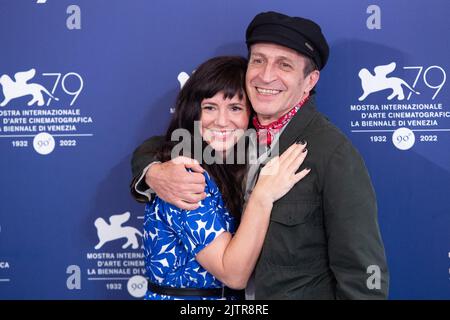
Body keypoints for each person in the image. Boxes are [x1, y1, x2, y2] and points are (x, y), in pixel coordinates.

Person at [131, 12, 389, 299]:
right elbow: (171, 141)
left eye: (284, 64)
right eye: (258, 60)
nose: (266, 75)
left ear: (309, 80)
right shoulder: (233, 139)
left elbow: (361, 271)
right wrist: (152, 171)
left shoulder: (331, 152)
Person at [140, 55, 310, 300]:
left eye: (235, 108)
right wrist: (263, 195)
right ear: (193, 113)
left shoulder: (228, 167)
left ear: (250, 115)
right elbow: (233, 274)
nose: (221, 121)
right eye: (209, 107)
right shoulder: (186, 175)